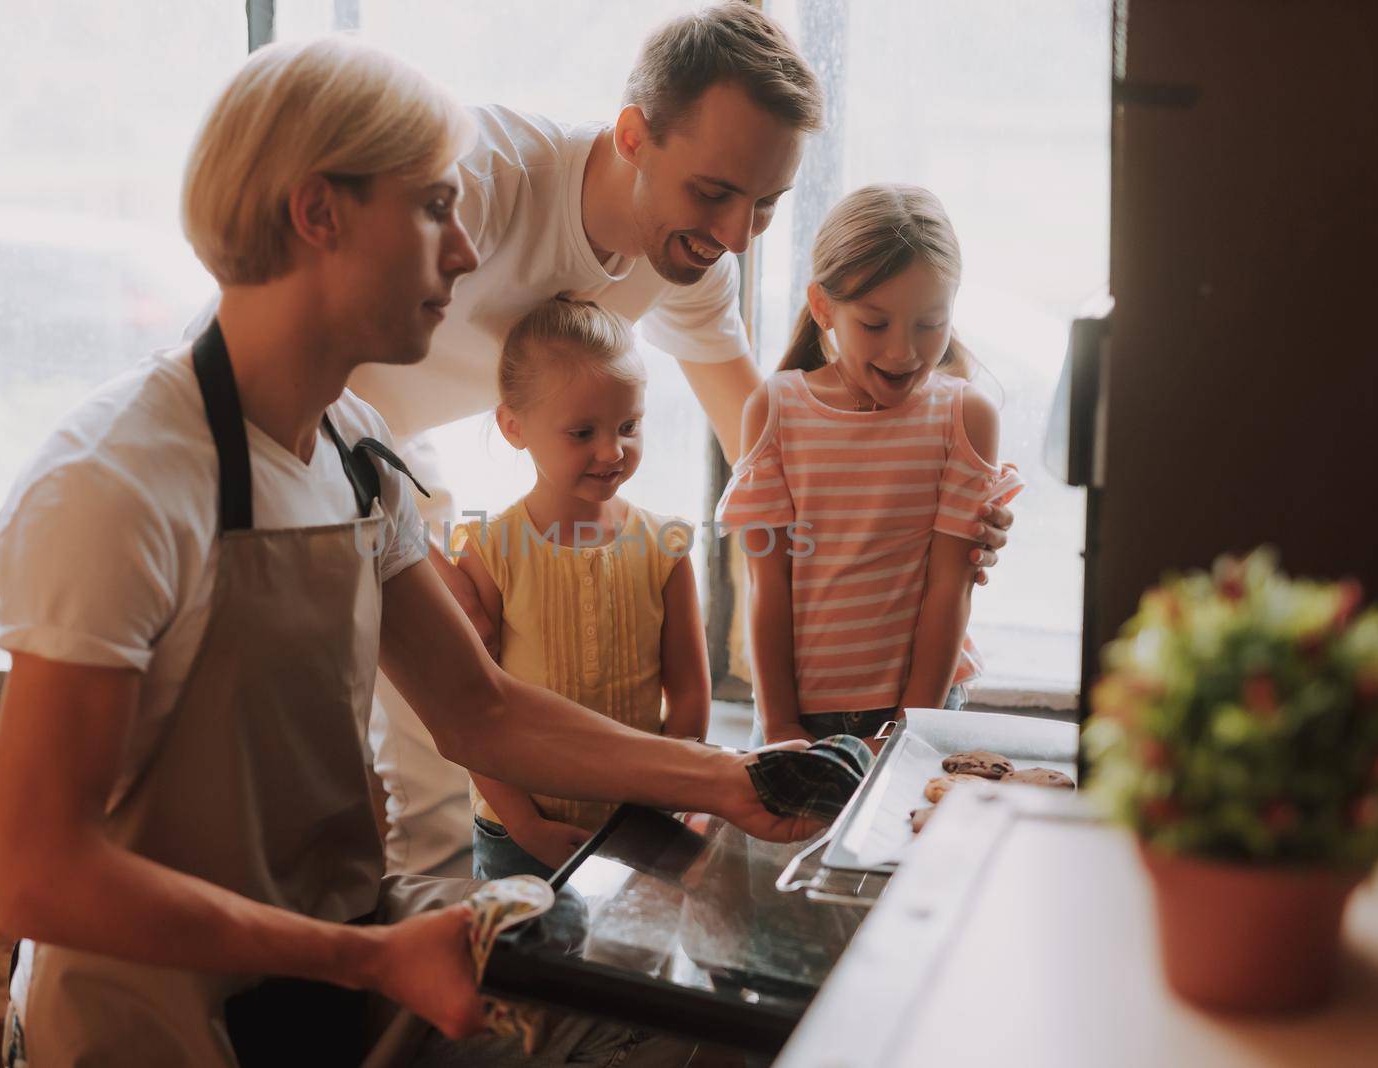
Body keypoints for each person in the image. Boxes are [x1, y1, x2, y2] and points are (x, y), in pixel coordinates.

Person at [0, 36, 813, 1068]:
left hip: (322, 974)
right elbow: (37, 878)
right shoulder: (111, 487)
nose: (467, 254)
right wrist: (367, 958)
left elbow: (481, 710)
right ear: (317, 212)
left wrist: (725, 778)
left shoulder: (360, 457)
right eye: (434, 209)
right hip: (147, 1022)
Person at [337, 1, 1016, 878]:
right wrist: (414, 548)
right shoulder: (484, 178)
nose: (735, 235)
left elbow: (767, 446)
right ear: (632, 136)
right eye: (715, 191)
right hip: (331, 437)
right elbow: (317, 346)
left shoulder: (690, 264)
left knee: (445, 785)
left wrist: (930, 509)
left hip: (397, 450)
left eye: (765, 205)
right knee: (409, 781)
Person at [716, 184, 1026, 747]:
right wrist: (782, 722)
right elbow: (768, 583)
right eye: (875, 325)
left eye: (930, 324)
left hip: (921, 707)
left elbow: (949, 587)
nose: (903, 353)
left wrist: (911, 725)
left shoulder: (966, 416)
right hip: (795, 715)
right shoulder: (775, 408)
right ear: (822, 306)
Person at [453, 297, 710, 880]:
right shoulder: (488, 553)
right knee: (523, 972)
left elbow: (690, 693)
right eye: (582, 432)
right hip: (516, 833)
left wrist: (664, 794)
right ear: (513, 426)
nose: (612, 451)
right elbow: (468, 711)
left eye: (629, 426)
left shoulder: (665, 548)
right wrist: (526, 824)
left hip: (639, 821)